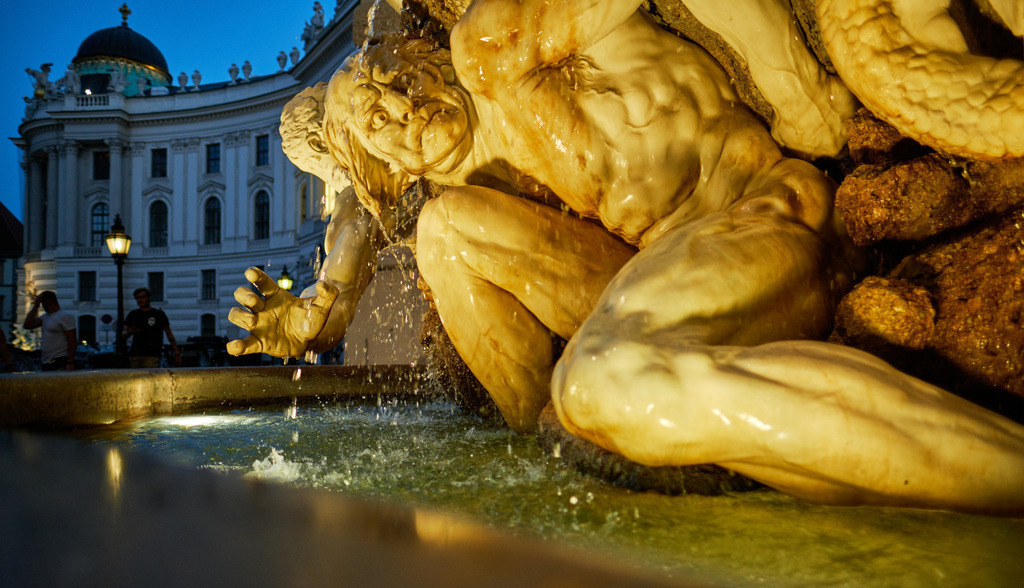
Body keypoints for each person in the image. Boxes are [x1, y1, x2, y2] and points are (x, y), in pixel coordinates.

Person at [228, 0, 1024, 514]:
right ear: (388, 165)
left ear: (413, 59)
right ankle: (545, 451)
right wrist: (313, 310)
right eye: (382, 124)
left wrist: (798, 89)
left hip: (763, 213)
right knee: (446, 235)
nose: (404, 110)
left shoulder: (493, 47)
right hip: (666, 264)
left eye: (394, 83)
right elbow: (354, 221)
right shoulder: (451, 172)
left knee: (609, 383)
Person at [123, 287, 181, 368]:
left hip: (152, 354)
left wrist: (177, 353)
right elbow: (124, 333)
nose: (140, 300)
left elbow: (169, 334)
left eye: (142, 297)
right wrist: (129, 332)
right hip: (135, 354)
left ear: (149, 298)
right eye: (137, 298)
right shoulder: (133, 314)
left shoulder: (158, 314)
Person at [23, 291, 76, 371]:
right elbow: (27, 325)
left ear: (46, 302)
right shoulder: (45, 317)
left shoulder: (65, 316)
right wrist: (35, 307)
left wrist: (70, 362)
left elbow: (72, 340)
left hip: (60, 359)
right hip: (46, 360)